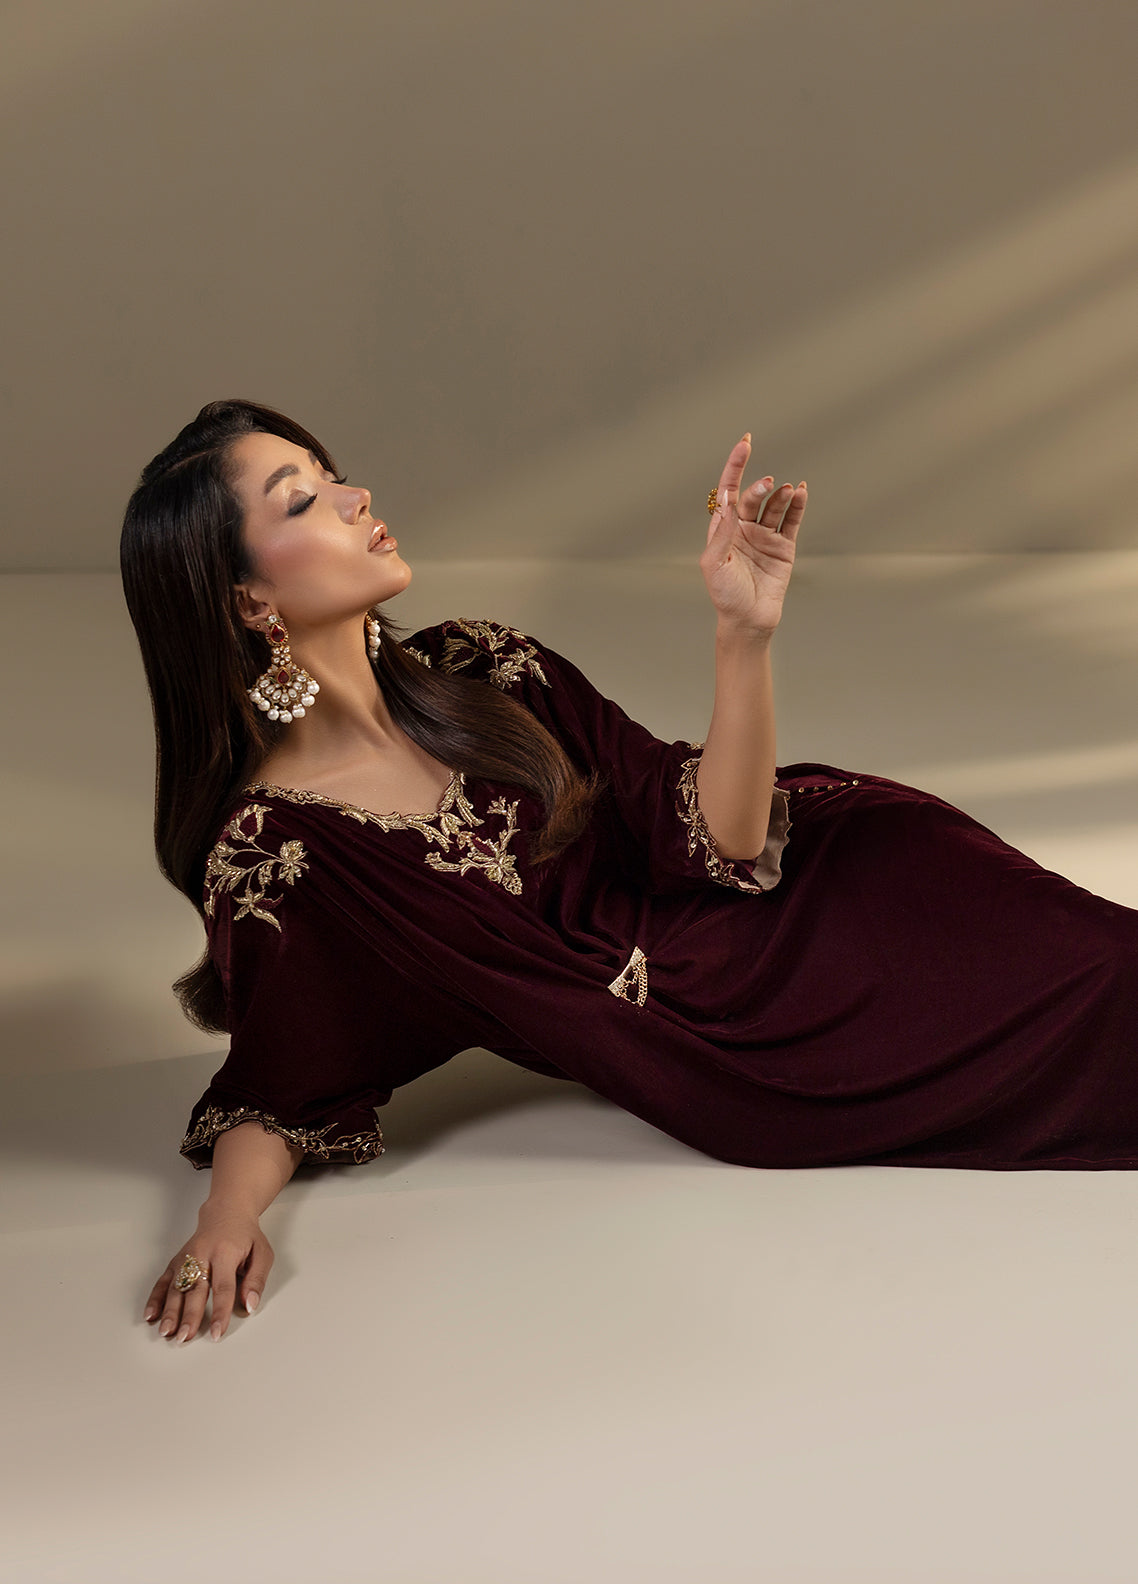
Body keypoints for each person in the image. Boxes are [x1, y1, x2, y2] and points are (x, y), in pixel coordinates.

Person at [119, 398, 1138, 1346]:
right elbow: (279, 1076)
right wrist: (226, 1217)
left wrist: (743, 636)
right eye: (303, 500)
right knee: (1102, 1000)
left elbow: (717, 832)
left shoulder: (489, 667)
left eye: (333, 474)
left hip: (845, 868)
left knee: (1107, 958)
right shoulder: (280, 856)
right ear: (249, 599)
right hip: (753, 1046)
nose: (356, 498)